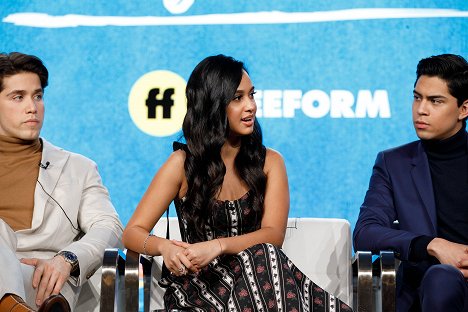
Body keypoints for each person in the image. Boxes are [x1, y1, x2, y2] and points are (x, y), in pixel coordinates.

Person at [122, 54, 352, 311]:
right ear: (213, 105)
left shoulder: (270, 162)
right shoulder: (182, 164)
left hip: (261, 281)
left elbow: (273, 236)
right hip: (200, 290)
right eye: (238, 98)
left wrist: (217, 247)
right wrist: (164, 247)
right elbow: (132, 232)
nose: (251, 106)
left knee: (264, 256)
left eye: (252, 95)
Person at [0, 52, 124, 312]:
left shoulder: (78, 168)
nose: (32, 107)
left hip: (47, 283)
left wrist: (68, 258)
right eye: (18, 97)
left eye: (38, 96)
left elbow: (109, 226)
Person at [354, 54, 468, 311]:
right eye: (417, 98)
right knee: (442, 278)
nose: (421, 110)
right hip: (432, 287)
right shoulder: (393, 163)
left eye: (435, 101)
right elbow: (365, 232)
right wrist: (432, 244)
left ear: (464, 109)